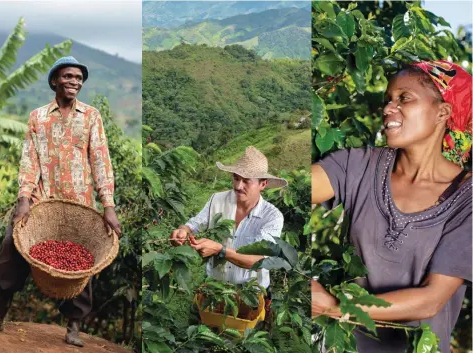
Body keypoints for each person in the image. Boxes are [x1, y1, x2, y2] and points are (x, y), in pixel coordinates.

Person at [311, 60, 472, 353]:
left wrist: (334, 306)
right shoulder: (358, 165)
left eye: (404, 98)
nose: (387, 109)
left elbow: (430, 300)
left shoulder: (467, 198)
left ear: (442, 112)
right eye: (387, 100)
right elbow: (291, 187)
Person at [0, 56, 122, 347]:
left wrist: (108, 206)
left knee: (81, 264)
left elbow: (100, 159)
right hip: (40, 199)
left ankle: (73, 326)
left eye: (79, 78)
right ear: (55, 81)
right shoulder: (38, 116)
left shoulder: (91, 116)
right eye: (68, 76)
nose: (75, 82)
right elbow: (29, 160)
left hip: (78, 201)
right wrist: (23, 199)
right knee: (11, 247)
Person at [170, 146, 287, 292]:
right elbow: (194, 224)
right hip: (215, 287)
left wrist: (220, 250)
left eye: (246, 181)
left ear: (262, 184)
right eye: (236, 178)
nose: (238, 186)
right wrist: (183, 230)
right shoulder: (217, 200)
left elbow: (260, 260)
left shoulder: (272, 217)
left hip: (251, 292)